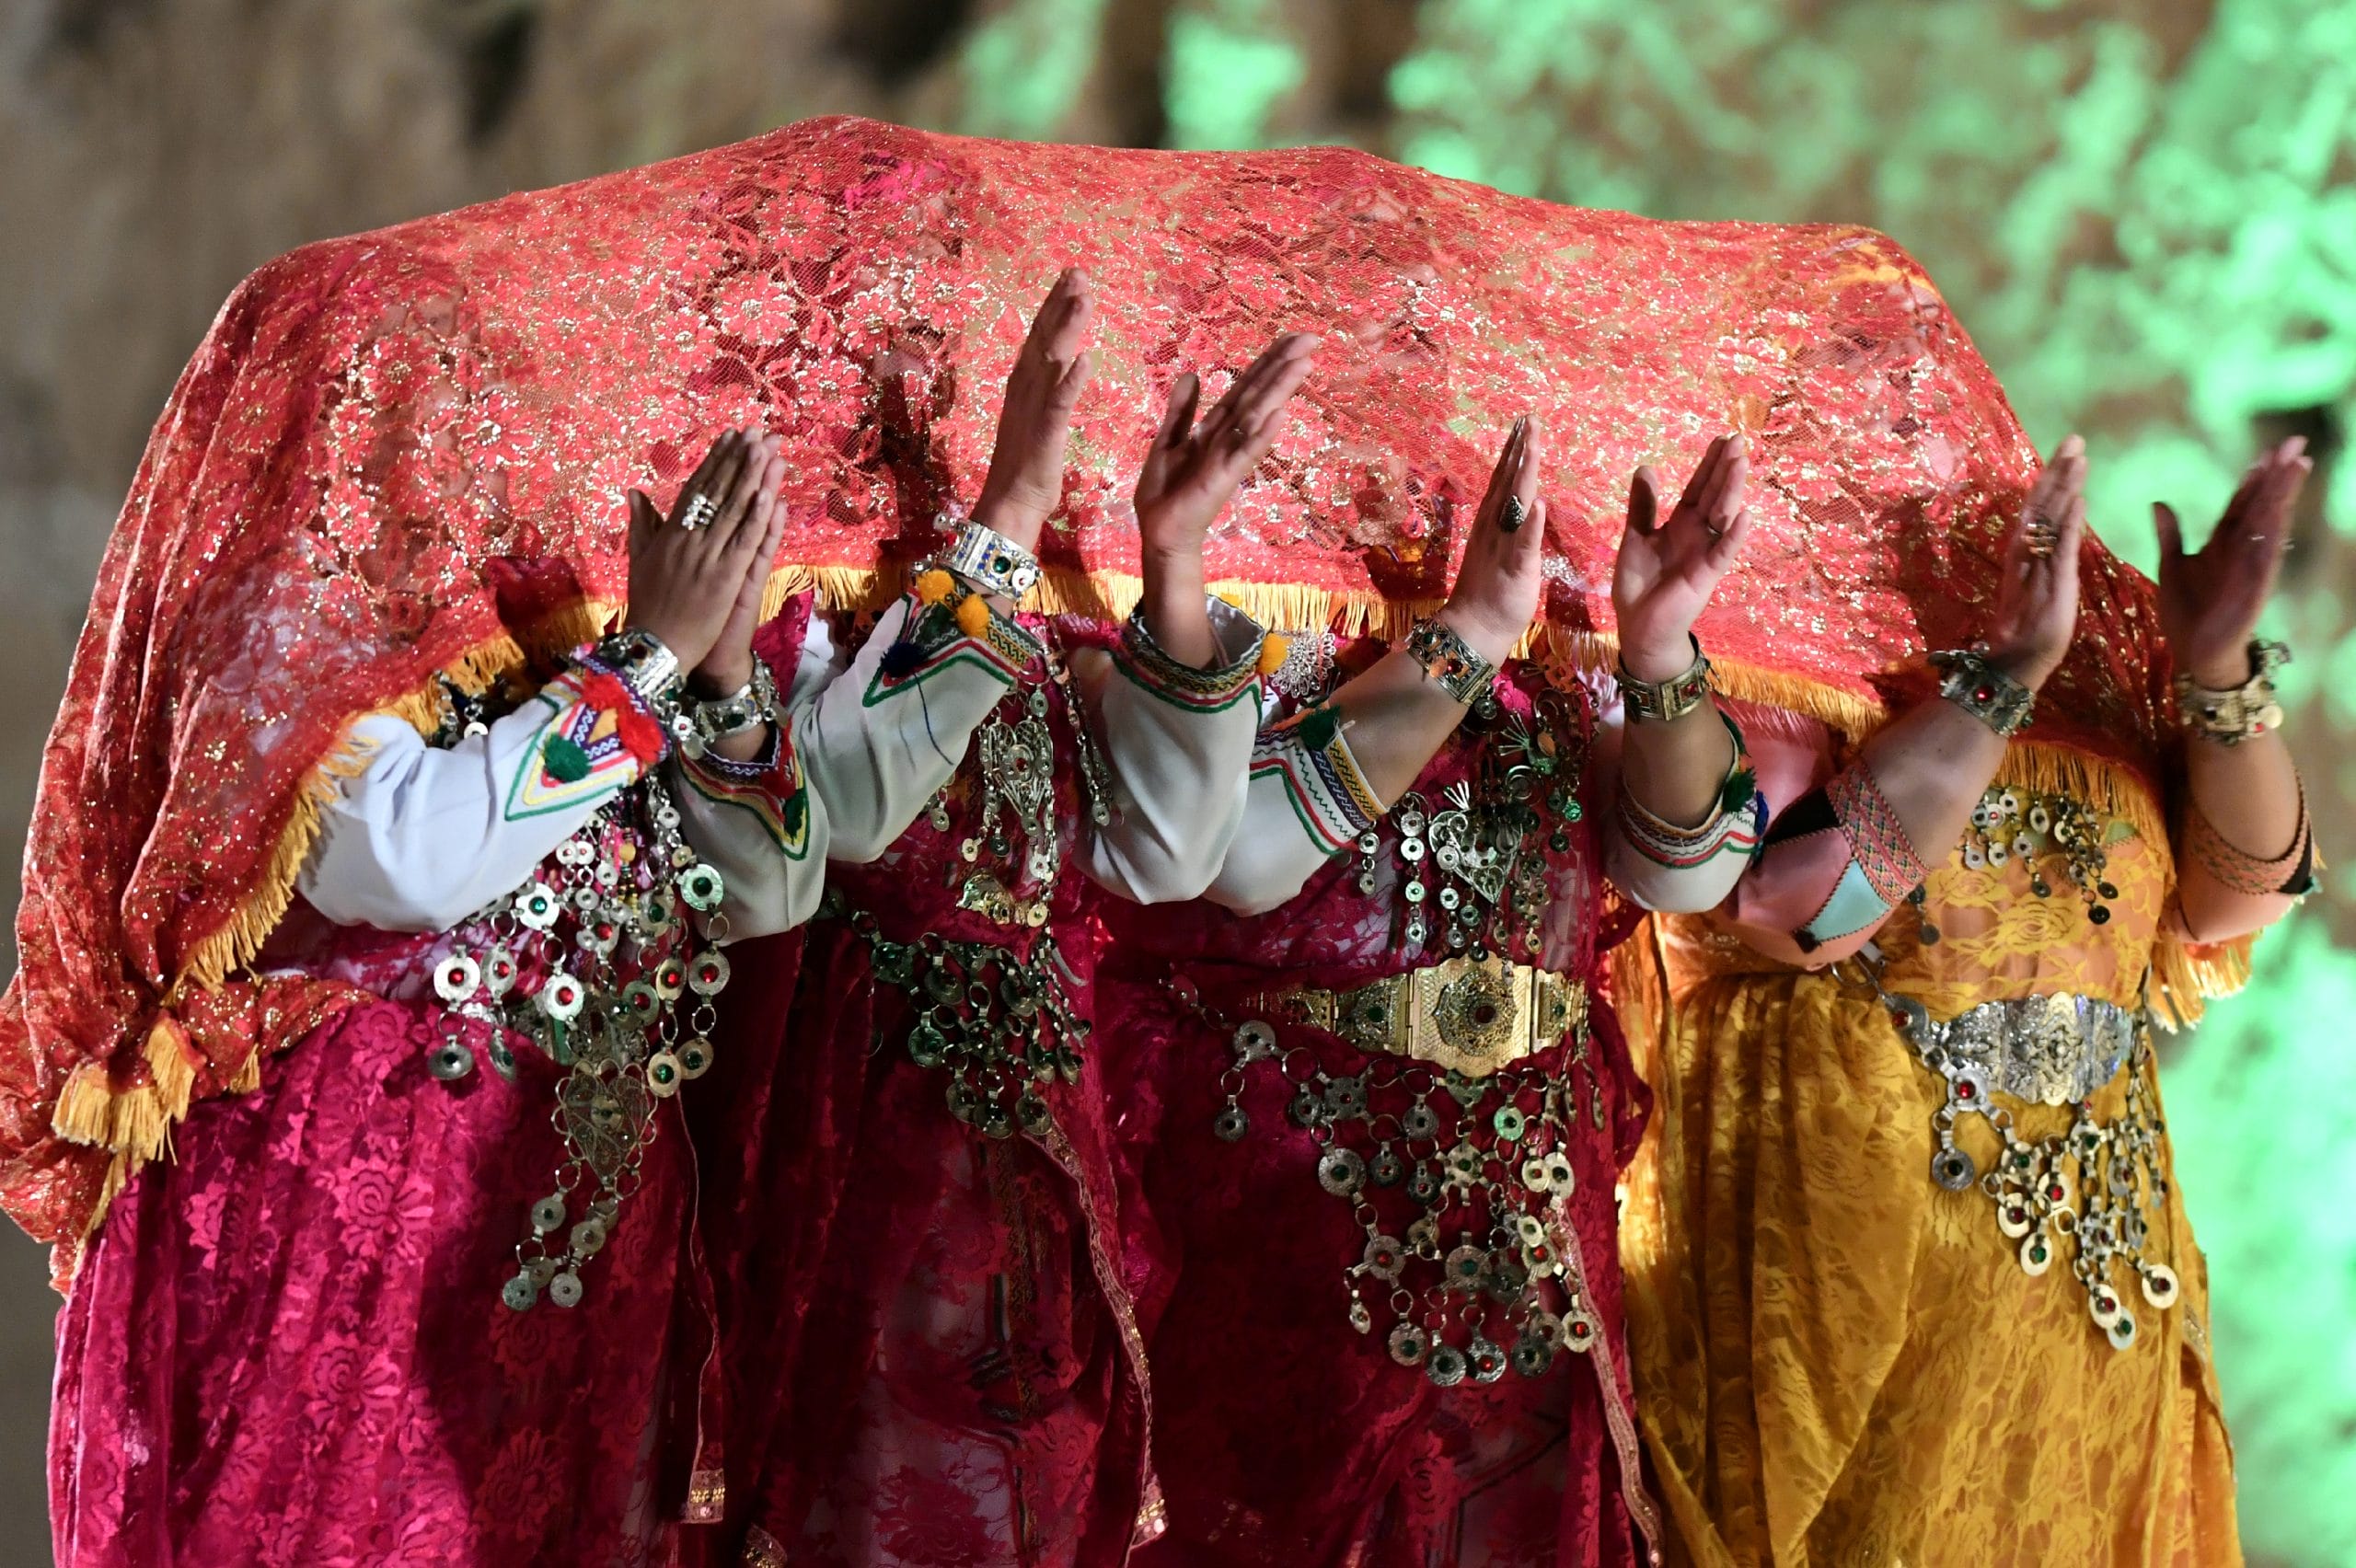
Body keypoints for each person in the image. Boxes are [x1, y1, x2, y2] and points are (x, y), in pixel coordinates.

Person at [46, 424, 830, 1564]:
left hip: (575, 1210)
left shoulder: (584, 612)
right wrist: (650, 661)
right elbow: (407, 857)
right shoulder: (292, 602)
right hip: (364, 1204)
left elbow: (771, 889)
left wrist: (714, 674)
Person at [688, 270, 1313, 1566]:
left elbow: (1169, 851)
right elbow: (849, 814)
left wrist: (1177, 556)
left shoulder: (1033, 637)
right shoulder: (785, 615)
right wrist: (1009, 515)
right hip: (855, 1158)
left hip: (1049, 1179)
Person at [1624, 437, 2316, 1564]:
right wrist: (1998, 683)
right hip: (1857, 1269)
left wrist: (2220, 666)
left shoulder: (2095, 644)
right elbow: (1798, 909)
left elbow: (2237, 900)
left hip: (2089, 1288)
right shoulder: (1769, 631)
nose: (1901, 410)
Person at [1096, 422, 1767, 1566]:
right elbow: (1236, 861)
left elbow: (1688, 870)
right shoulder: (1203, 571)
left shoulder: (1543, 618)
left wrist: (1657, 653)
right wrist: (1461, 641)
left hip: (1526, 1209)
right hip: (1288, 1202)